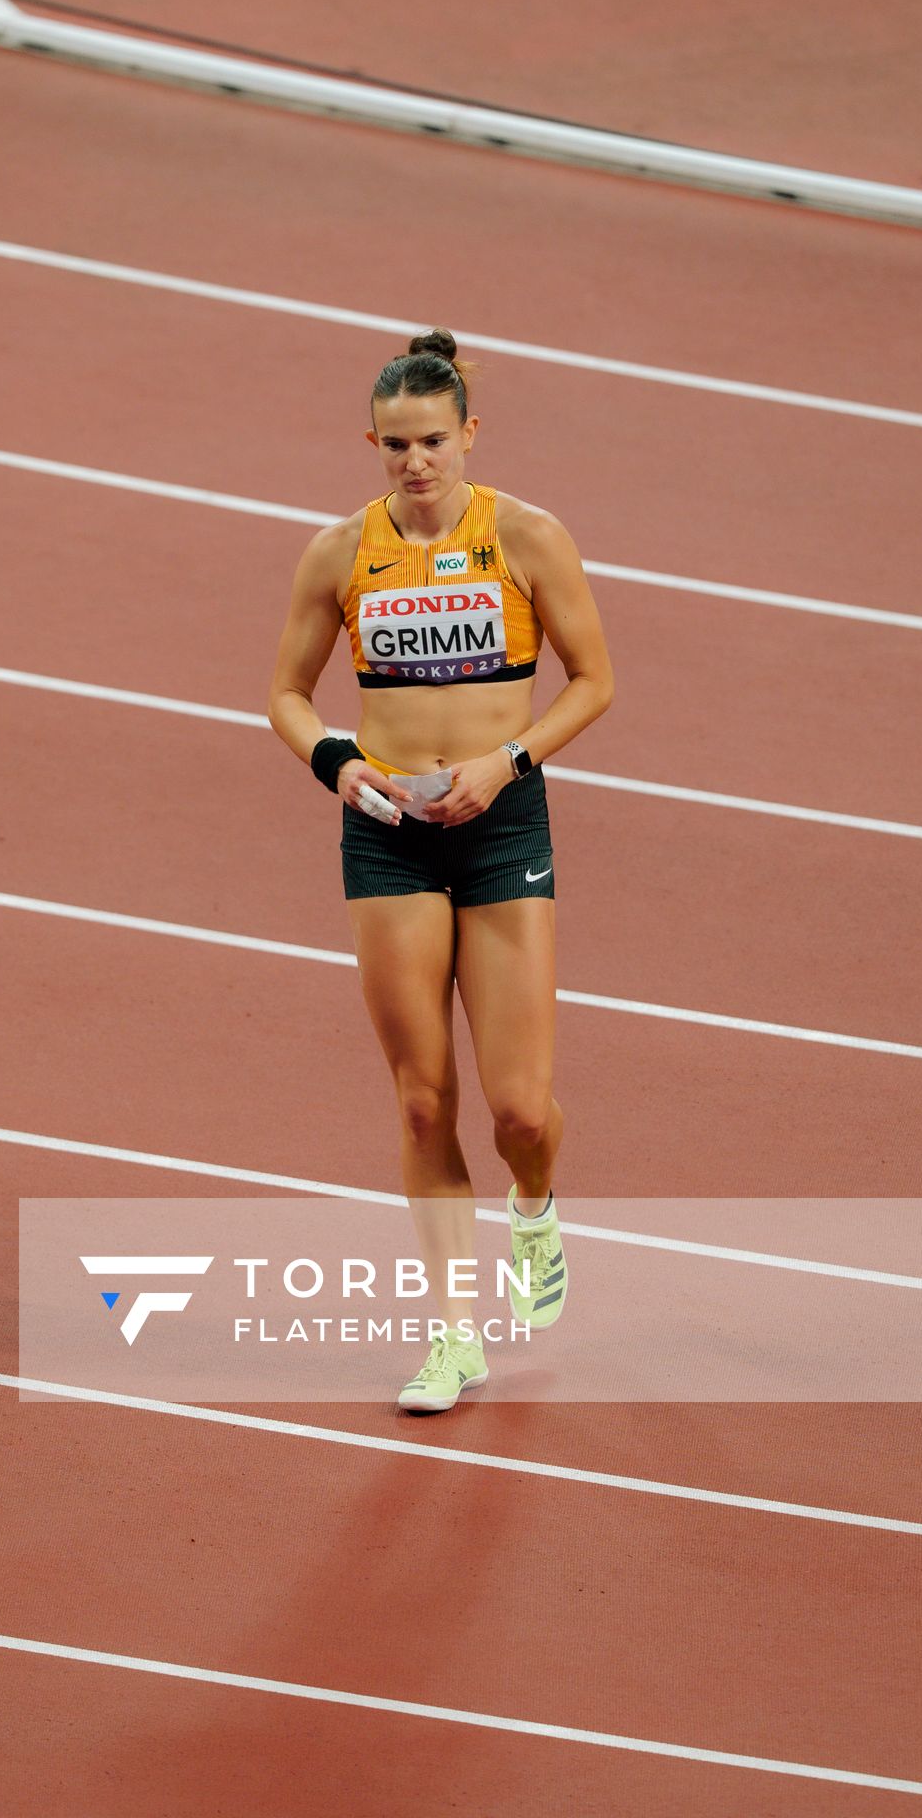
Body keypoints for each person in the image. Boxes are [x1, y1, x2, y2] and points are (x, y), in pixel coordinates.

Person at [268, 330, 614, 1412]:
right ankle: (451, 1340)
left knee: (516, 1108)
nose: (415, 463)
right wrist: (335, 764)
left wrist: (506, 760)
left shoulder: (526, 536)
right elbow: (284, 692)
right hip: (388, 831)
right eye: (394, 446)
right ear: (369, 443)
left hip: (499, 825)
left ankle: (536, 1202)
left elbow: (592, 679)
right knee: (423, 1103)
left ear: (470, 433)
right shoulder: (338, 554)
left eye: (432, 442)